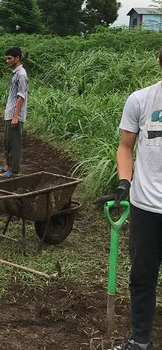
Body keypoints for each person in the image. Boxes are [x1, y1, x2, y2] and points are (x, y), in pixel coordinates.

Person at [102, 48, 162, 350]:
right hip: (146, 206)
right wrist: (124, 182)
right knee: (142, 276)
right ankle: (140, 340)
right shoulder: (140, 100)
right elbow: (126, 146)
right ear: (160, 63)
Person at [0, 47, 28, 179]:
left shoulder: (21, 74)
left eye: (9, 58)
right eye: (6, 58)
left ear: (17, 58)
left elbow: (21, 96)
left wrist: (15, 116)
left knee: (14, 144)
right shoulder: (16, 73)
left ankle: (14, 171)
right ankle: (8, 166)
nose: (7, 60)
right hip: (10, 114)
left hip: (15, 116)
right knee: (7, 142)